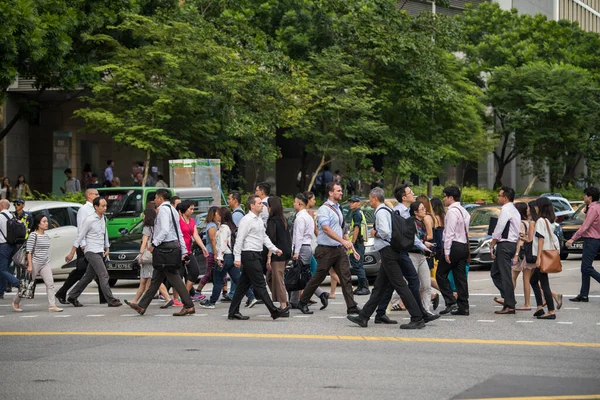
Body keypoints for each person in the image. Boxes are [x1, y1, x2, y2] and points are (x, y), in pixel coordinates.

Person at [347, 188, 426, 329]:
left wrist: (376, 233)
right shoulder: (387, 210)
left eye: (370, 198)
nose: (369, 201)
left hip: (389, 251)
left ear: (375, 198)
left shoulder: (381, 212)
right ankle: (363, 316)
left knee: (400, 285)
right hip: (390, 251)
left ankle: (417, 318)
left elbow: (385, 231)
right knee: (379, 287)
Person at [125, 189, 195, 316]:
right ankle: (142, 306)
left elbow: (164, 230)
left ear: (161, 198)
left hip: (165, 248)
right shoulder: (173, 210)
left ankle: (189, 305)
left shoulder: (163, 210)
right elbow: (178, 232)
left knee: (174, 278)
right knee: (156, 279)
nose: (154, 200)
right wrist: (183, 250)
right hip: (172, 247)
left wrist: (153, 244)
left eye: (156, 197)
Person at [373, 184, 438, 322]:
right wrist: (391, 244)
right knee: (409, 281)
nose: (413, 193)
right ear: (404, 197)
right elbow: (392, 233)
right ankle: (418, 314)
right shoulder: (397, 212)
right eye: (410, 192)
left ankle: (376, 314)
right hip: (399, 251)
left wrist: (422, 246)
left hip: (398, 250)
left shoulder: (407, 211)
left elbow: (410, 235)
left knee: (386, 284)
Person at [297, 182, 360, 315]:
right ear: (331, 193)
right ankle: (302, 302)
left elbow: (342, 229)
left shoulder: (338, 208)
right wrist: (342, 241)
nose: (341, 193)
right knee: (318, 277)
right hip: (326, 250)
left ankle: (351, 306)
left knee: (346, 277)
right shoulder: (324, 209)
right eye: (338, 190)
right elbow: (326, 229)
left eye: (341, 190)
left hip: (338, 249)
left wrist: (350, 246)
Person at [227, 195, 288, 320]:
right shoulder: (246, 220)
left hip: (257, 254)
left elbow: (264, 237)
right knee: (260, 283)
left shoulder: (259, 220)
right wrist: (237, 257)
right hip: (249, 254)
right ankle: (274, 311)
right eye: (259, 203)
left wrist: (274, 249)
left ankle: (233, 312)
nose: (262, 205)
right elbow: (239, 239)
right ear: (252, 206)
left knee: (243, 285)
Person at [64, 197, 122, 307]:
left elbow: (104, 233)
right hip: (91, 251)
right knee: (104, 275)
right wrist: (71, 253)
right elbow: (80, 236)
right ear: (96, 207)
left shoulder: (103, 218)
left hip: (100, 250)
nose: (105, 208)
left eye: (106, 206)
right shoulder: (89, 220)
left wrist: (107, 247)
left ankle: (72, 296)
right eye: (102, 206)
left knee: (88, 277)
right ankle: (111, 300)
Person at [55, 189, 106, 305]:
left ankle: (63, 293)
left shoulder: (97, 210)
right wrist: (83, 245)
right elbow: (81, 228)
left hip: (95, 246)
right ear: (89, 195)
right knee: (88, 272)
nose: (98, 196)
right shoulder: (84, 210)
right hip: (86, 246)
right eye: (96, 194)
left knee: (89, 272)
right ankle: (65, 293)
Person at [12, 214, 63, 312]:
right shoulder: (33, 235)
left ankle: (52, 305)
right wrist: (30, 265)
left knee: (50, 284)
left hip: (45, 263)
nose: (46, 223)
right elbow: (29, 251)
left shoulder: (46, 235)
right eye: (44, 221)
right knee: (27, 284)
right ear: (38, 224)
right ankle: (15, 301)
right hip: (35, 263)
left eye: (47, 221)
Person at [437, 186, 471, 316]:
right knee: (460, 277)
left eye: (445, 196)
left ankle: (451, 301)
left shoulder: (452, 212)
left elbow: (449, 233)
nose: (444, 199)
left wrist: (446, 252)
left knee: (440, 274)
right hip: (463, 246)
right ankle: (464, 306)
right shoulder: (464, 210)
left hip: (453, 246)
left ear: (451, 197)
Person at [131, 208, 173, 307]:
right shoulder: (157, 226)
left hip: (148, 257)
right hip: (156, 254)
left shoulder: (147, 227)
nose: (143, 217)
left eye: (144, 215)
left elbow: (144, 242)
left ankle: (167, 298)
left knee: (153, 280)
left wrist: (140, 254)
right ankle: (134, 301)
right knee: (144, 280)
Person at [200, 207, 241, 308]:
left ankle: (212, 302)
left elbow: (222, 244)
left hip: (224, 256)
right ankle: (251, 296)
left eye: (218, 214)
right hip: (230, 255)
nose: (216, 215)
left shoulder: (223, 228)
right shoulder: (229, 226)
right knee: (237, 278)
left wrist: (219, 257)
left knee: (217, 279)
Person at [490, 186, 521, 315]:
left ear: (506, 197)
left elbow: (500, 227)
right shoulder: (515, 210)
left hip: (505, 245)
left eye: (499, 195)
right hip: (511, 244)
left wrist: (492, 243)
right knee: (495, 273)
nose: (498, 197)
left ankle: (509, 304)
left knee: (504, 275)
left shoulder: (506, 209)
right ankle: (509, 298)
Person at [566, 186, 600, 303]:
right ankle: (584, 294)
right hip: (593, 240)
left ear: (590, 197)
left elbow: (585, 226)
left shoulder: (593, 209)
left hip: (591, 240)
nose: (583, 197)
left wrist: (572, 239)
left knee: (586, 267)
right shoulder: (595, 207)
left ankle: (584, 294)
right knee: (584, 268)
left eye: (585, 195)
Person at [530, 197, 562, 319]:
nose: (535, 208)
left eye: (537, 205)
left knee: (544, 283)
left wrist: (538, 257)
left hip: (542, 255)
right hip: (546, 254)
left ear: (541, 207)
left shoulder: (540, 221)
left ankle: (551, 310)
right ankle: (539, 307)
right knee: (533, 280)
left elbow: (541, 239)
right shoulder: (549, 221)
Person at [178, 201, 209, 301]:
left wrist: (203, 247)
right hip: (178, 251)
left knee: (195, 271)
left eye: (193, 209)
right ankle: (177, 297)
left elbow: (195, 235)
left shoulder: (192, 221)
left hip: (188, 251)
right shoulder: (178, 220)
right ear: (184, 209)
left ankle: (185, 294)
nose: (192, 211)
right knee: (179, 274)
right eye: (190, 209)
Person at [266, 196, 292, 310]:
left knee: (278, 278)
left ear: (271, 207)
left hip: (278, 253)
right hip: (286, 252)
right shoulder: (283, 219)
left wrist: (269, 256)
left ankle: (283, 304)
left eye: (268, 205)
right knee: (270, 277)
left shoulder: (272, 221)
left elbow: (271, 239)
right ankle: (278, 299)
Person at [409, 201, 435, 314]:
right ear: (415, 212)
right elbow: (412, 239)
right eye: (422, 209)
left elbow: (422, 237)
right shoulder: (411, 223)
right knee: (413, 283)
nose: (425, 210)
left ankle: (427, 309)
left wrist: (425, 244)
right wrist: (424, 243)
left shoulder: (423, 222)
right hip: (412, 254)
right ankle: (415, 309)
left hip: (422, 255)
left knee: (426, 284)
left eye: (424, 208)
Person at [512, 202, 535, 310]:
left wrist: (516, 255)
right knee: (527, 279)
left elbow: (520, 242)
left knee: (513, 277)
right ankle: (527, 302)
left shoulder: (521, 223)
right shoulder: (529, 222)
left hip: (521, 254)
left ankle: (510, 299)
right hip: (528, 254)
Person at [348, 195, 370, 295]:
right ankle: (361, 286)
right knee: (358, 264)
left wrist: (352, 242)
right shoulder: (359, 212)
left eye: (353, 202)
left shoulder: (356, 213)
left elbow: (356, 228)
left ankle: (364, 287)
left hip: (357, 243)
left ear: (358, 203)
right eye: (350, 202)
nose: (351, 204)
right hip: (360, 243)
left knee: (357, 265)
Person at [195, 206, 218, 299]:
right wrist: (216, 252)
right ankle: (198, 291)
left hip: (212, 251)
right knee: (209, 272)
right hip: (211, 251)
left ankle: (224, 290)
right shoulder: (212, 226)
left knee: (219, 272)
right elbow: (213, 240)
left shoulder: (213, 224)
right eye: (217, 213)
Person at [0, 199, 20, 299]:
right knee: (4, 269)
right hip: (13, 245)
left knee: (2, 269)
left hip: (3, 246)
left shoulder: (0, 217)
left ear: (1, 206)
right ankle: (0, 292)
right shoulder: (13, 216)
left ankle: (18, 284)